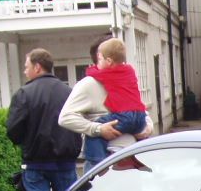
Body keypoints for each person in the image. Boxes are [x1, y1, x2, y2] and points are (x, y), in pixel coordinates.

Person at [6, 49, 82, 191]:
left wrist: (25, 141)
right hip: (65, 161)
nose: (25, 71)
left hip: (35, 163)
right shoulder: (69, 93)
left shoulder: (24, 94)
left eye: (27, 67)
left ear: (37, 67)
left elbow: (13, 130)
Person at [59, 36, 153, 170]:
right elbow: (65, 117)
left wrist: (148, 127)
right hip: (106, 161)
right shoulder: (88, 84)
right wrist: (97, 129)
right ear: (100, 58)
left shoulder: (123, 78)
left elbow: (138, 107)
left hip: (132, 159)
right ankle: (98, 166)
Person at [80, 38, 148, 166]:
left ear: (109, 61)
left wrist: (91, 69)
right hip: (140, 117)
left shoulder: (108, 74)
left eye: (99, 60)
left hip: (124, 116)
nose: (97, 64)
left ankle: (98, 164)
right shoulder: (129, 71)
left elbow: (91, 72)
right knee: (140, 139)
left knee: (96, 129)